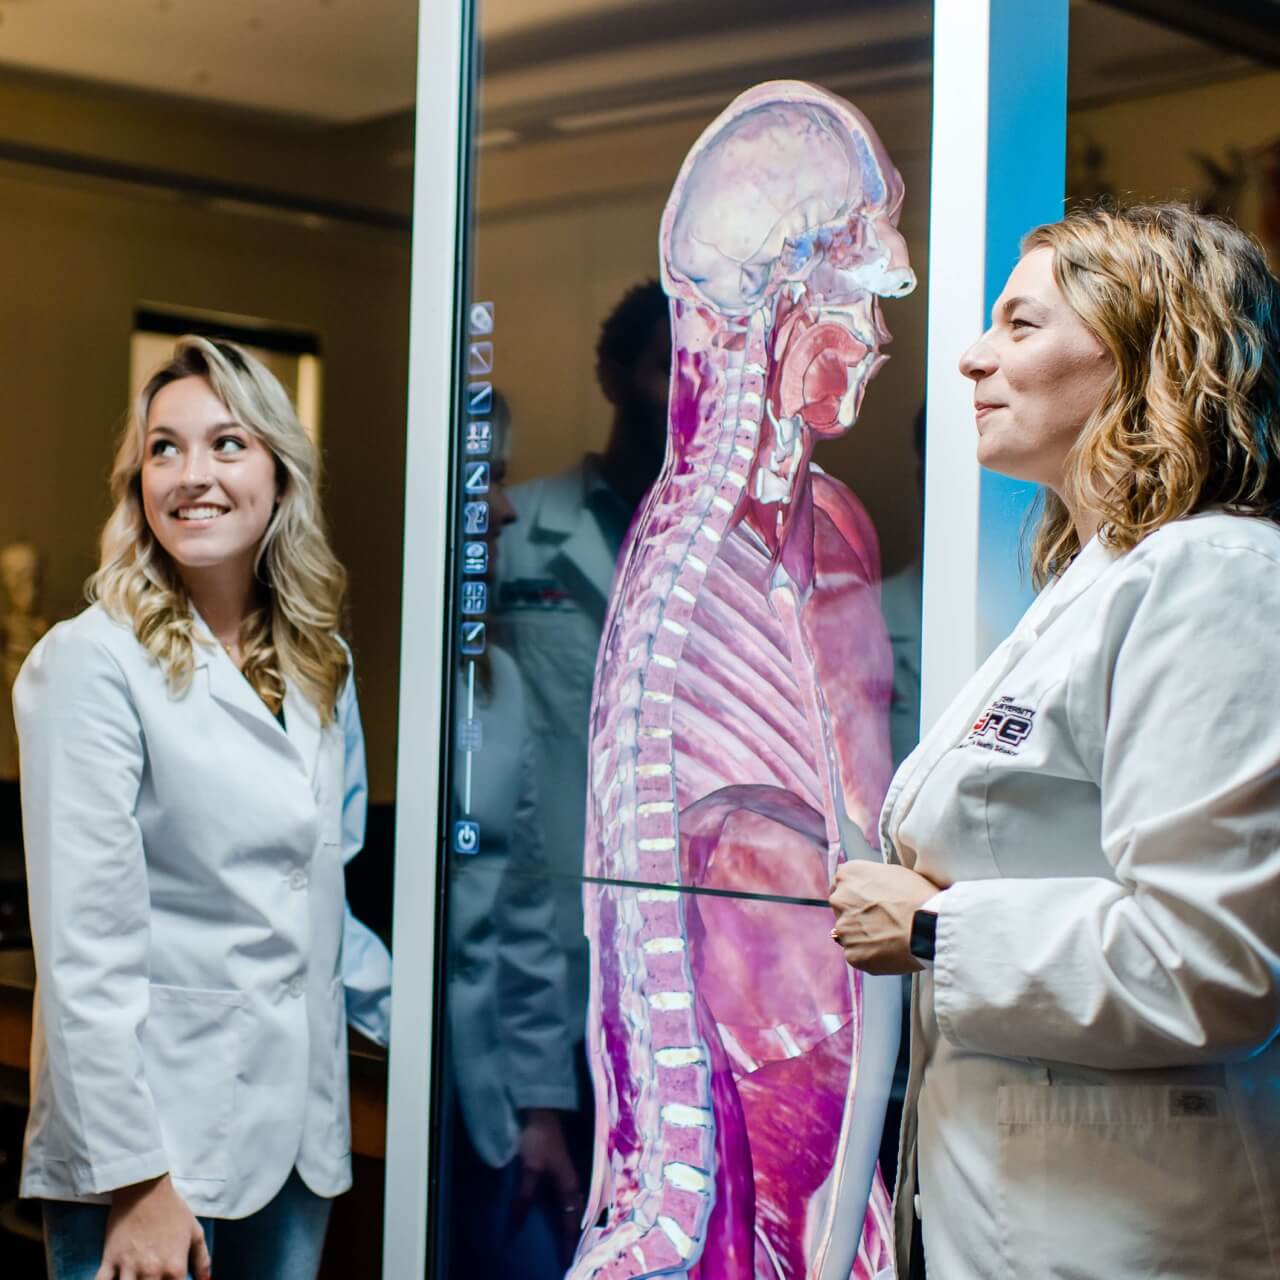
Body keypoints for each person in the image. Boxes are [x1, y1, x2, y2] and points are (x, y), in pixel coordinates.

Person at [828, 203, 1280, 1278]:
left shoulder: (1212, 576)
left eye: (1020, 325)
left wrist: (935, 928)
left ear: (1145, 350)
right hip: (1005, 1210)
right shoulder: (1095, 579)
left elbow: (1209, 962)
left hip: (1121, 1230)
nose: (973, 357)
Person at [15, 336, 392, 1280]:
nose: (193, 475)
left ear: (279, 471)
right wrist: (137, 1181)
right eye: (164, 449)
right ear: (137, 480)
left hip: (296, 1140)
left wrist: (428, 1031)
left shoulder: (321, 666)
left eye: (227, 444)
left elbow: (322, 895)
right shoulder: (91, 662)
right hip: (151, 1150)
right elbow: (83, 950)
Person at [494, 280, 670, 1043]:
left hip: (671, 934)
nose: (687, 394)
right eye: (667, 367)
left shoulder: (739, 555)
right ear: (613, 377)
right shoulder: (515, 529)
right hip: (536, 922)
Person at [444, 398, 583, 1278]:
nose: (503, 509)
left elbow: (527, 903)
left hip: (492, 1101)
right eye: (484, 479)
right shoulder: (353, 671)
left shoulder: (501, 682)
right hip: (394, 1074)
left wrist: (539, 1105)